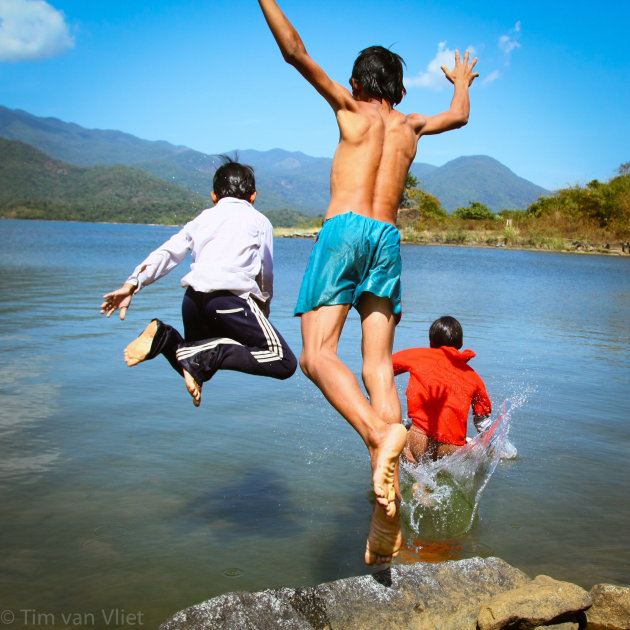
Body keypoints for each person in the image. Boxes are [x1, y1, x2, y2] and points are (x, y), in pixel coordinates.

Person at [257, 0, 479, 564]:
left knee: (314, 355)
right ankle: (391, 496)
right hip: (387, 240)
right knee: (377, 367)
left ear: (357, 83)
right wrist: (460, 82)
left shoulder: (350, 110)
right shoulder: (411, 127)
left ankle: (380, 437)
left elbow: (293, 52)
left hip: (346, 232)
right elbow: (460, 117)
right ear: (399, 90)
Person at [100, 158, 297, 406]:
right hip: (230, 301)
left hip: (193, 302)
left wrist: (133, 283)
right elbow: (266, 272)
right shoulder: (259, 221)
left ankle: (164, 337)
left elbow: (169, 253)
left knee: (198, 366)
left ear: (214, 196)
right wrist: (264, 306)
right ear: (253, 196)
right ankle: (207, 352)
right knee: (283, 361)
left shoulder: (202, 219)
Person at [393, 316, 492, 463]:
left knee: (399, 432)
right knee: (472, 447)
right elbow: (482, 423)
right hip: (453, 450)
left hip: (418, 441)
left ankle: (412, 465)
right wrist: (493, 447)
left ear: (431, 342)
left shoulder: (418, 355)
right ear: (461, 343)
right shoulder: (474, 377)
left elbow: (381, 367)